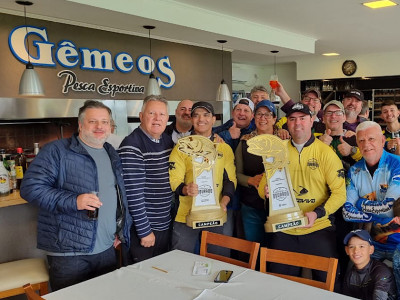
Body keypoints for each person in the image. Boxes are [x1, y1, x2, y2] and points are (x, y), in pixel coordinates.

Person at [20, 100, 132, 291]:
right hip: (69, 253)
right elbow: (30, 188)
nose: (100, 127)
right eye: (93, 122)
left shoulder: (110, 152)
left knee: (106, 296)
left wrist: (120, 228)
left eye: (105, 122)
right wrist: (74, 201)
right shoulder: (56, 151)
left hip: (106, 248)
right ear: (80, 125)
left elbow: (119, 194)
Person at [258, 103, 346, 282]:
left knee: (329, 286)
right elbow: (262, 186)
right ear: (287, 123)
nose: (297, 123)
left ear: (312, 120)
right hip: (284, 229)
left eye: (302, 118)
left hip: (318, 228)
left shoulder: (326, 153)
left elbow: (339, 194)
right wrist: (265, 191)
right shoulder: (277, 150)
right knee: (277, 285)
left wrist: (318, 213)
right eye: (292, 119)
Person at [169, 101, 237, 254]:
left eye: (206, 115)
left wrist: (224, 202)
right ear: (191, 119)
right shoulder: (181, 147)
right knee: (180, 260)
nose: (201, 119)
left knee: (218, 261)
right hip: (186, 215)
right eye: (196, 115)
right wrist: (186, 189)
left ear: (213, 119)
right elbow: (174, 180)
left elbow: (231, 180)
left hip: (216, 214)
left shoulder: (223, 147)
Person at [343, 121, 400, 297]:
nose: (366, 145)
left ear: (383, 140)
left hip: (398, 240)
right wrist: (374, 213)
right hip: (371, 241)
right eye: (361, 141)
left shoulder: (397, 164)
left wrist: (360, 204)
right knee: (352, 279)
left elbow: (390, 209)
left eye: (371, 139)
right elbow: (346, 212)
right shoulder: (355, 170)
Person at [118, 95, 174, 263]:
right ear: (141, 116)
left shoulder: (165, 140)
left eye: (162, 114)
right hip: (144, 229)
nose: (157, 118)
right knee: (142, 280)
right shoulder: (132, 145)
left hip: (164, 223)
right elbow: (132, 193)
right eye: (152, 113)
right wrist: (144, 231)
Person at [235, 100, 278, 246]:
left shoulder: (284, 141)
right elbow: (235, 174)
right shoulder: (244, 142)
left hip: (279, 206)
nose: (263, 118)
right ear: (254, 117)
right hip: (251, 206)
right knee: (254, 249)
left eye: (267, 114)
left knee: (277, 250)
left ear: (274, 119)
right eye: (259, 114)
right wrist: (250, 180)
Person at [342, 229, 396, 300]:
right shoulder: (350, 274)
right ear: (347, 250)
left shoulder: (382, 272)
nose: (356, 251)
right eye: (351, 247)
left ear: (371, 249)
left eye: (361, 246)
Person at [317, 100, 362, 171]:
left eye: (338, 112)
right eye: (329, 113)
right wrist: (318, 146)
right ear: (323, 119)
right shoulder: (315, 140)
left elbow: (370, 162)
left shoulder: (355, 139)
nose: (333, 116)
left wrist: (352, 150)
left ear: (344, 118)